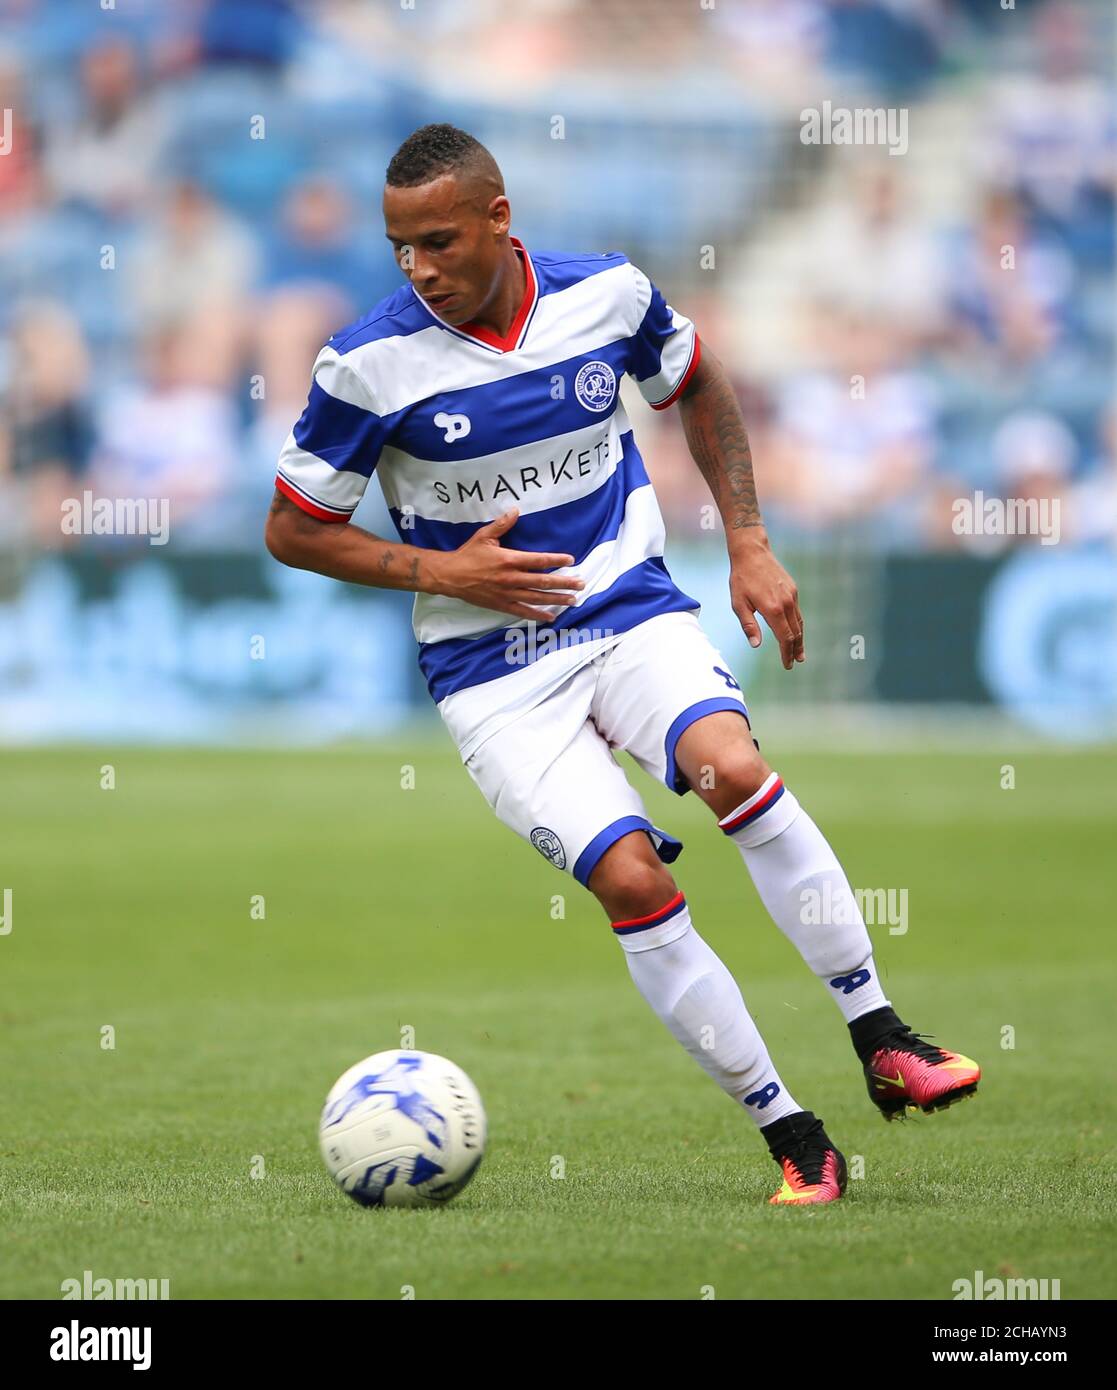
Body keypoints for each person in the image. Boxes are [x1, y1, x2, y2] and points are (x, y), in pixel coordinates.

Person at [264, 124, 980, 1206]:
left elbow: (696, 382)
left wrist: (745, 539)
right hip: (491, 676)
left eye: (441, 243)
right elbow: (293, 526)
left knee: (732, 768)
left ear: (500, 221)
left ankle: (882, 1032)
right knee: (632, 879)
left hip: (626, 606)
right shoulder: (366, 363)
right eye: (400, 247)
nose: (419, 269)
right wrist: (444, 574)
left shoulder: (605, 294)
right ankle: (795, 1137)